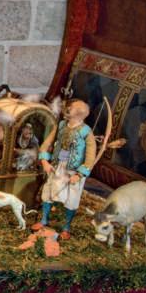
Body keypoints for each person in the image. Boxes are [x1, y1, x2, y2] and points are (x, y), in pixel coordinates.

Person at [33, 99, 97, 240]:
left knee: (72, 199)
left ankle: (66, 227)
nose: (67, 111)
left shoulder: (86, 132)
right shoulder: (61, 125)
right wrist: (44, 160)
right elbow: (47, 143)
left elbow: (90, 156)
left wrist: (80, 174)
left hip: (74, 171)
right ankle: (44, 220)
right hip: (57, 166)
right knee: (48, 192)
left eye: (71, 109)